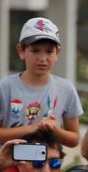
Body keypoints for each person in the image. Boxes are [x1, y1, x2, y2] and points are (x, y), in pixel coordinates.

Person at [0, 17, 81, 148]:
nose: (43, 58)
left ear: (57, 53)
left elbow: (74, 139)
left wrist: (54, 129)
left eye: (49, 51)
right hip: (10, 165)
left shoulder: (66, 88)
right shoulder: (4, 87)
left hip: (48, 167)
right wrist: (34, 128)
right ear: (21, 51)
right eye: (35, 51)